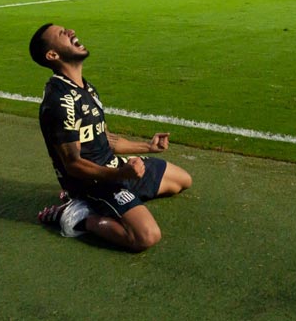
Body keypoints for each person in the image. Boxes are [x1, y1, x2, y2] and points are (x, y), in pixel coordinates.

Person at [30, 23, 192, 252]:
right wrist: (120, 174)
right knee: (146, 236)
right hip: (94, 182)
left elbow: (104, 138)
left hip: (114, 168)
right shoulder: (59, 102)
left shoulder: (85, 88)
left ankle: (110, 200)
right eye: (61, 34)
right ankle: (77, 216)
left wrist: (148, 146)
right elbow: (73, 164)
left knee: (182, 181)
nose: (71, 32)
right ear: (52, 55)